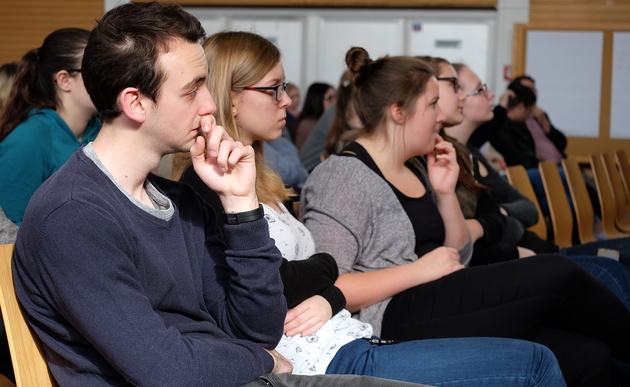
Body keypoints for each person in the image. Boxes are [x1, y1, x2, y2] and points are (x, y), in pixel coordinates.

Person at [11, 5, 431, 387]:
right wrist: (264, 361)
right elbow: (165, 370)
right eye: (193, 90)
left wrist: (241, 205)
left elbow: (256, 327)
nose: (211, 105)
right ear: (136, 103)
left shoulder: (182, 201)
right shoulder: (73, 215)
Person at [176, 30, 566, 387]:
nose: (288, 100)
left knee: (561, 343)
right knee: (538, 353)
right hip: (326, 354)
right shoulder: (211, 189)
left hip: (349, 335)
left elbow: (453, 253)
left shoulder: (262, 181)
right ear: (231, 97)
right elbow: (276, 280)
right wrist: (326, 273)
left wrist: (325, 285)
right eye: (274, 89)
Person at [301, 46, 630, 387]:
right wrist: (418, 270)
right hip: (388, 314)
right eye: (431, 105)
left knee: (585, 354)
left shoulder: (415, 164)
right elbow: (329, 286)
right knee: (559, 273)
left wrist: (445, 192)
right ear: (398, 112)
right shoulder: (343, 177)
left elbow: (458, 253)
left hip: (434, 292)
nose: (440, 116)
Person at [0, 28, 101, 226]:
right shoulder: (27, 140)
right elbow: (9, 231)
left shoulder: (101, 130)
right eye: (97, 70)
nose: (110, 80)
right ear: (64, 80)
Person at [292, 82, 336, 151]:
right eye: (328, 97)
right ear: (316, 99)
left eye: (335, 97)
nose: (333, 101)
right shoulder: (307, 125)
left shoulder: (324, 121)